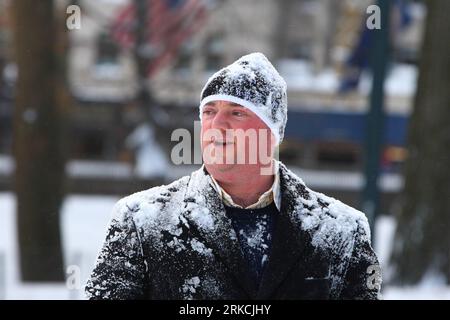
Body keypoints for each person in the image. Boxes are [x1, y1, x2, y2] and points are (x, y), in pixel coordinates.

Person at [85, 52, 381, 300]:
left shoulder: (343, 232)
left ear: (272, 131)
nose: (217, 124)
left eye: (237, 113)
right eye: (209, 112)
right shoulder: (140, 222)